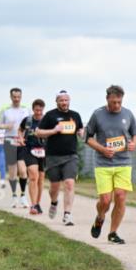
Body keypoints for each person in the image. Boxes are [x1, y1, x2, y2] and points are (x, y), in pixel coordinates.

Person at [85, 85, 136, 244]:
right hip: (103, 164)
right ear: (107, 98)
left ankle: (113, 233)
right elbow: (88, 138)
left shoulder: (128, 114)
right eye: (113, 102)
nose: (116, 105)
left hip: (124, 162)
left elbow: (135, 135)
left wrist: (133, 144)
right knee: (106, 201)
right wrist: (102, 149)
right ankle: (100, 217)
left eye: (119, 102)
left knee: (121, 197)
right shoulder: (97, 114)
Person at [36, 90, 84, 225]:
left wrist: (82, 132)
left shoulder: (75, 115)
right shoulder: (50, 116)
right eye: (61, 100)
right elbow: (38, 132)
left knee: (69, 183)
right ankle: (54, 202)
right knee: (54, 187)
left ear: (69, 101)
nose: (64, 103)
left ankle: (67, 214)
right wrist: (54, 130)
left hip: (71, 155)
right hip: (53, 156)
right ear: (56, 101)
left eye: (66, 100)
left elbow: (81, 130)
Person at [0, 87, 30, 208]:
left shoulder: (26, 109)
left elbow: (31, 123)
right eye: (14, 97)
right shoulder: (5, 110)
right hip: (9, 141)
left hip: (21, 141)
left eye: (19, 97)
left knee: (22, 170)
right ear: (11, 97)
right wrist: (6, 126)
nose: (17, 99)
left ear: (21, 97)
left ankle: (23, 195)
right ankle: (13, 196)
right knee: (12, 172)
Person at [19, 99, 47, 215]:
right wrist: (21, 138)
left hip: (44, 151)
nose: (38, 112)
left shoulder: (47, 121)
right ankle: (33, 205)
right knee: (33, 176)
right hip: (29, 150)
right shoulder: (28, 120)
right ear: (33, 109)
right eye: (36, 110)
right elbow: (20, 130)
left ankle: (38, 203)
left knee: (40, 179)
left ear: (43, 109)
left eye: (40, 110)